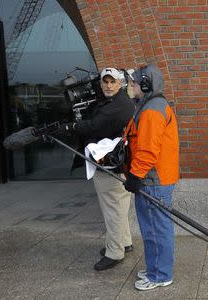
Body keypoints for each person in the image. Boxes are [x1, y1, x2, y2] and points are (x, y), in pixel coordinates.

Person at [59, 67, 136, 270]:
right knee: (118, 208)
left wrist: (72, 126)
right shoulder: (116, 102)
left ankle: (115, 252)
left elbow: (94, 126)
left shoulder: (118, 105)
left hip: (111, 166)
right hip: (113, 164)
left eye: (112, 82)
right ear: (101, 84)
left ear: (120, 84)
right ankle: (124, 243)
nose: (108, 86)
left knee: (113, 211)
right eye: (105, 82)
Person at [122, 65, 179, 291]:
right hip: (153, 179)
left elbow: (147, 150)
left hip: (152, 181)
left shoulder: (152, 110)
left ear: (145, 84)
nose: (131, 86)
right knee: (153, 228)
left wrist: (135, 176)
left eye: (134, 82)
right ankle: (156, 266)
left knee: (156, 228)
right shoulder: (149, 106)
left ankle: (160, 275)